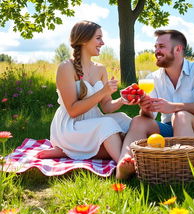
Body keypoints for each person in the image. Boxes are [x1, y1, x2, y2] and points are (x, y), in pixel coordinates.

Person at [116, 29, 194, 179]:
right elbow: (150, 116)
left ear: (178, 49)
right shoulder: (153, 77)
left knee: (180, 116)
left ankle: (184, 171)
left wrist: (175, 106)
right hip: (172, 129)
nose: (156, 51)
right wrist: (145, 108)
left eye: (161, 46)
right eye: (156, 47)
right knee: (139, 121)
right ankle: (125, 165)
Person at [38, 20, 131, 166]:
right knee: (107, 124)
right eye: (98, 38)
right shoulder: (66, 67)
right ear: (84, 40)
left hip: (93, 121)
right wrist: (102, 91)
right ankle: (124, 164)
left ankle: (70, 152)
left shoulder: (100, 69)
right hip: (70, 126)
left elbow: (106, 107)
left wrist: (121, 100)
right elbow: (73, 110)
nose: (103, 43)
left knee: (124, 120)